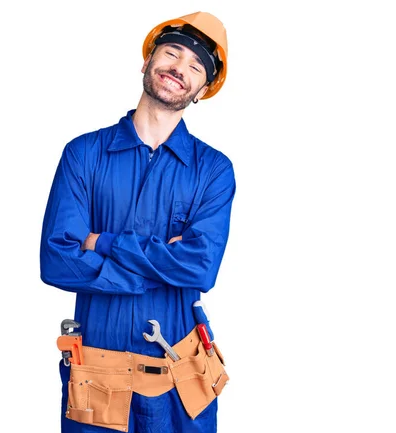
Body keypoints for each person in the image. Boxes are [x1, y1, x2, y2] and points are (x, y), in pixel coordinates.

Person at [40, 11, 235, 433]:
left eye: (195, 67)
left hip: (182, 381)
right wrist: (165, 263)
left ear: (202, 90)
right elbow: (56, 260)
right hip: (98, 379)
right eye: (171, 53)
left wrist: (102, 243)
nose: (179, 69)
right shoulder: (84, 155)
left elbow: (201, 267)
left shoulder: (214, 171)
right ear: (147, 61)